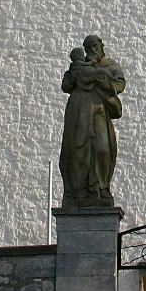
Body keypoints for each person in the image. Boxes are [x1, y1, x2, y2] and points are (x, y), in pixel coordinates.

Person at [59, 35, 125, 205]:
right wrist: (75, 74)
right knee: (77, 149)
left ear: (102, 46)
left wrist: (101, 78)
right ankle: (79, 190)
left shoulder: (110, 65)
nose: (93, 51)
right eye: (89, 48)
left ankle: (101, 188)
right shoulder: (78, 65)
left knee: (102, 148)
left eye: (95, 46)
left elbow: (119, 84)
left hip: (99, 109)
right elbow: (66, 85)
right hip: (78, 108)